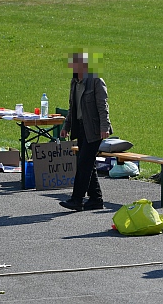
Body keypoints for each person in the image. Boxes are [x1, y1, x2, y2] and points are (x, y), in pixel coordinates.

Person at [59, 52, 112, 211]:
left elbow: (103, 107)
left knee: (83, 164)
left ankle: (77, 199)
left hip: (94, 130)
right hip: (80, 128)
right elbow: (72, 108)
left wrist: (105, 127)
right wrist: (66, 126)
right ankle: (96, 199)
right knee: (87, 164)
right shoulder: (74, 82)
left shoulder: (96, 81)